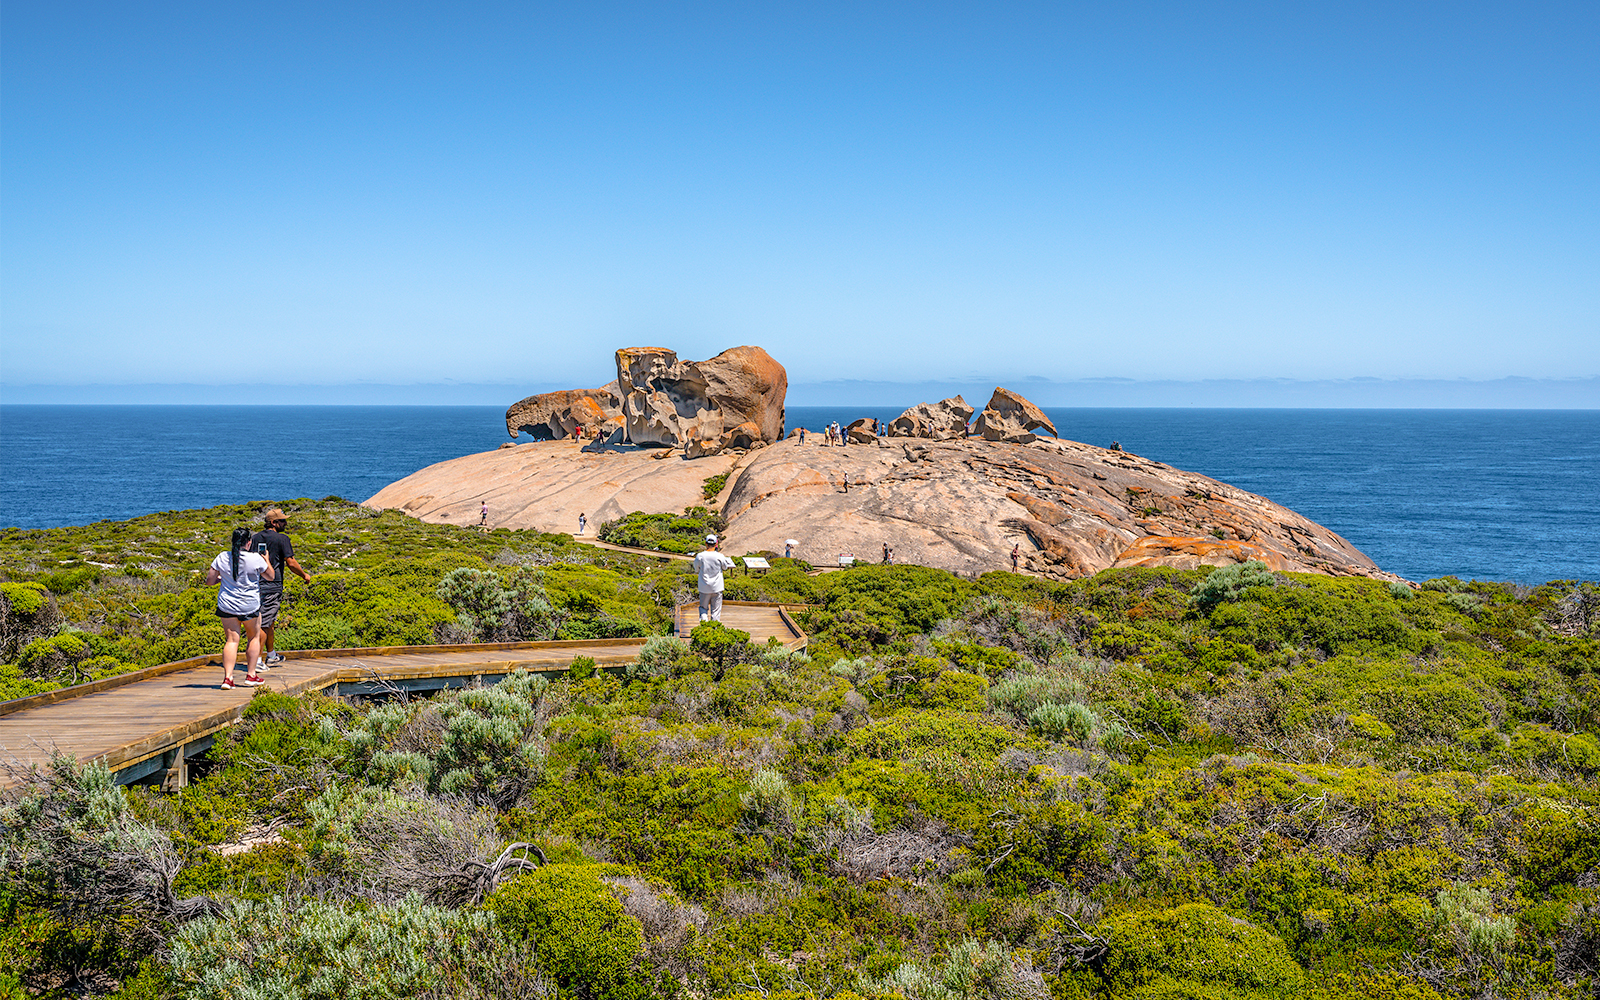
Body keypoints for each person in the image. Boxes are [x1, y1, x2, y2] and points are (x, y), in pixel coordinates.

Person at [205, 527, 274, 690]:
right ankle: (251, 675)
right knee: (253, 638)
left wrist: (222, 580)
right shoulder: (256, 558)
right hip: (249, 605)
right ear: (249, 542)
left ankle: (228, 679)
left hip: (227, 605)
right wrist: (267, 560)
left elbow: (209, 581)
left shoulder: (222, 557)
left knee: (231, 640)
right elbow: (270, 576)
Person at [249, 508, 311, 668]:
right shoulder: (282, 539)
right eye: (283, 520)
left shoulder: (255, 537)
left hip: (255, 584)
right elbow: (290, 562)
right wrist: (304, 575)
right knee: (264, 623)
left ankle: (271, 655)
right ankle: (257, 661)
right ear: (274, 523)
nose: (286, 523)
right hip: (272, 585)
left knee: (268, 621)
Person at [693, 534, 736, 623]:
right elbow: (725, 567)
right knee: (716, 611)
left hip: (704, 587)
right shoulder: (720, 556)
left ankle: (704, 628)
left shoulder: (700, 556)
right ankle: (715, 629)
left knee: (703, 608)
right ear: (716, 544)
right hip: (717, 587)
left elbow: (696, 569)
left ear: (705, 543)